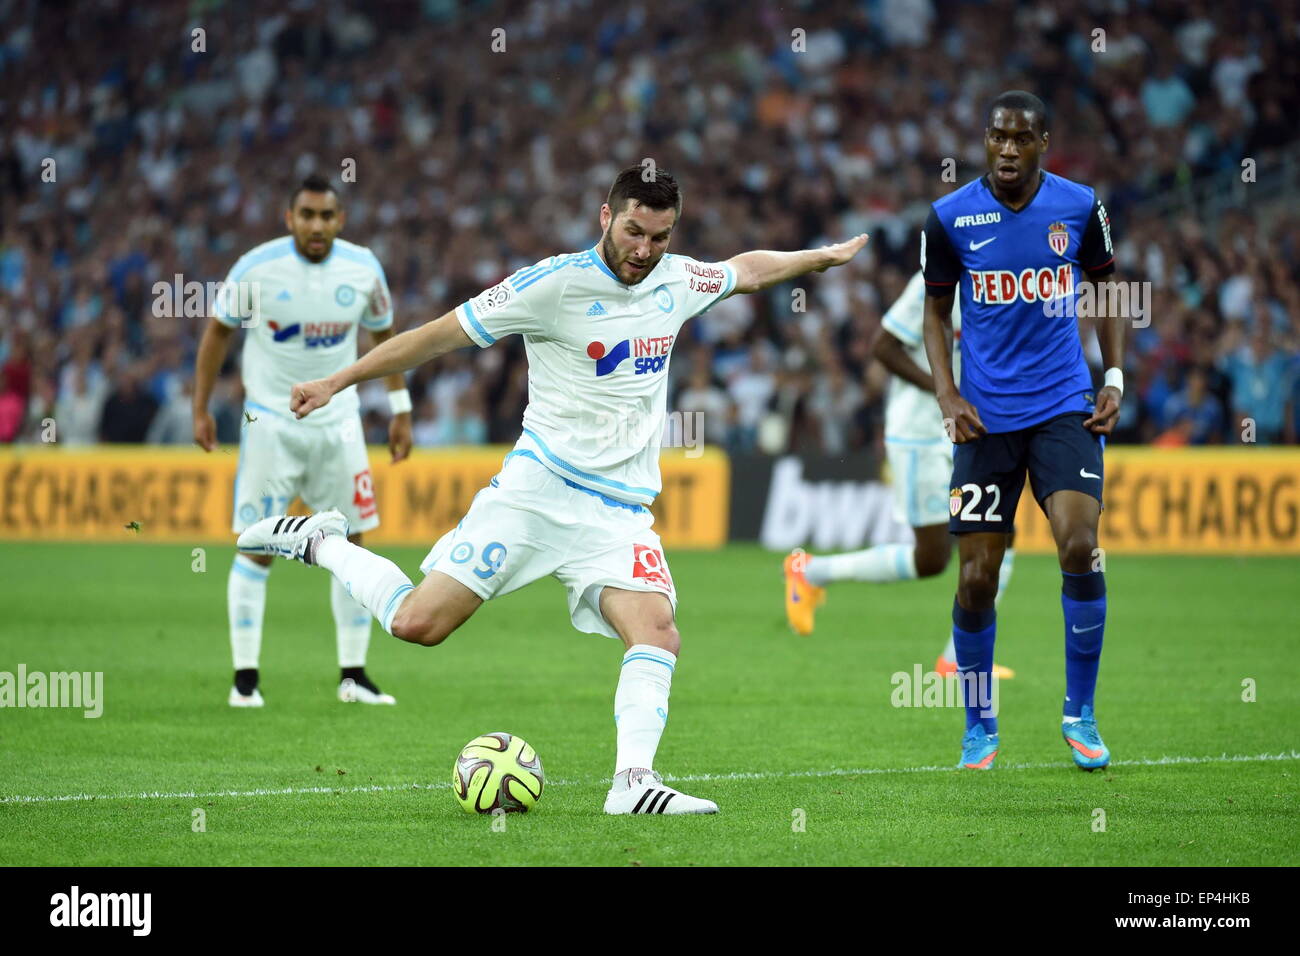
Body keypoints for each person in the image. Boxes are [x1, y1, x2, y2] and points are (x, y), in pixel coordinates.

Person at [238, 166, 869, 813]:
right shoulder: (552, 286)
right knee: (416, 624)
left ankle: (632, 784)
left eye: (659, 236)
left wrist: (816, 260)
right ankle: (322, 543)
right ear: (605, 217)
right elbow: (436, 338)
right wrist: (340, 381)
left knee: (657, 634)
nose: (643, 250)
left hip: (619, 514)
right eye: (632, 231)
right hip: (535, 495)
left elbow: (749, 270)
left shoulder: (677, 280)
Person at [920, 91, 1125, 771]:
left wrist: (1115, 375)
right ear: (986, 140)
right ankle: (979, 724)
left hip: (1064, 404)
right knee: (976, 578)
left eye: (1022, 139)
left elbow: (1108, 289)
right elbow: (933, 312)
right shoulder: (950, 217)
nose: (1007, 150)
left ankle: (1081, 713)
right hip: (984, 420)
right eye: (998, 138)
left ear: (1044, 142)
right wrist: (947, 394)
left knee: (1079, 544)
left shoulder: (1078, 204)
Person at [193, 174, 412, 708]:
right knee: (256, 542)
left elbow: (384, 336)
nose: (318, 225)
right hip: (269, 422)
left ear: (341, 220)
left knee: (354, 545)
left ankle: (354, 676)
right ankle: (245, 680)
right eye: (307, 215)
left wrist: (400, 407)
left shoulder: (362, 269)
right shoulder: (256, 269)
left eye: (327, 216)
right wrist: (199, 407)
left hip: (339, 424)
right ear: (288, 218)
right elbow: (218, 331)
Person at [784, 270, 1015, 681]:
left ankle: (958, 659)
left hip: (971, 430)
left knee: (1000, 533)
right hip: (920, 434)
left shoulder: (1002, 280)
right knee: (932, 559)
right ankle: (811, 571)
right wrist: (947, 392)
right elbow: (884, 348)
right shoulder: (937, 280)